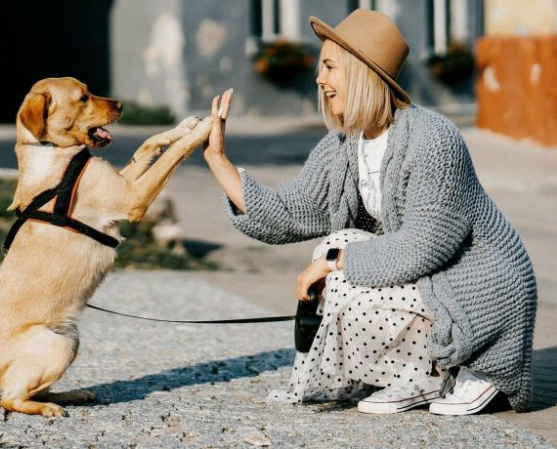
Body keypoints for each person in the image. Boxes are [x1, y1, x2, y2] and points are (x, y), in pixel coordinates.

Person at [202, 10, 537, 415]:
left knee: (339, 260)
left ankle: (466, 367)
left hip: (480, 289)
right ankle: (415, 375)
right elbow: (291, 212)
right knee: (337, 246)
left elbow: (422, 247)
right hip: (431, 280)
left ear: (361, 71)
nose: (319, 79)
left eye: (329, 67)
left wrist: (333, 264)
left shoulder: (433, 139)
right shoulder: (345, 145)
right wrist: (219, 161)